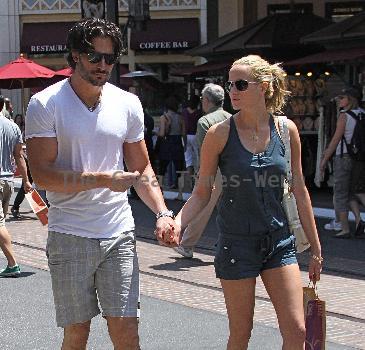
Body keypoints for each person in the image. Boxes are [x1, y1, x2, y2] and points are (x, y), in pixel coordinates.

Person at [25, 18, 176, 350]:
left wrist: (163, 213)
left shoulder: (127, 103)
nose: (103, 65)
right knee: (77, 333)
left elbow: (142, 168)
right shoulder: (46, 104)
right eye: (95, 57)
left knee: (126, 331)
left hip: (118, 232)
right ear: (76, 55)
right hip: (70, 234)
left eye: (110, 58)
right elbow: (43, 175)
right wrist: (103, 180)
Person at [172, 55, 323, 349]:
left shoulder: (285, 129)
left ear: (264, 86)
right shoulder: (219, 134)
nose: (233, 91)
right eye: (230, 85)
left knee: (298, 331)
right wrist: (178, 222)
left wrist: (315, 249)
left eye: (241, 84)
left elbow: (301, 190)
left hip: (279, 242)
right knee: (241, 335)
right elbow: (202, 192)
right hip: (236, 245)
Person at [174, 84, 231, 258]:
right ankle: (227, 244)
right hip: (233, 169)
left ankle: (187, 244)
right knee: (228, 208)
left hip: (214, 170)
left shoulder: (204, 121)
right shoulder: (232, 118)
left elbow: (202, 151)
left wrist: (200, 172)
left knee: (201, 206)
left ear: (206, 100)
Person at [320, 86, 365, 238]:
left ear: (350, 100)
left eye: (342, 98)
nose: (339, 100)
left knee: (340, 194)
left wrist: (325, 159)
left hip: (343, 157)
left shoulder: (344, 116)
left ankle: (344, 228)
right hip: (358, 159)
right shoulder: (362, 114)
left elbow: (335, 140)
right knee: (352, 191)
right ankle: (359, 221)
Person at [0, 95, 32, 276]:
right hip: (8, 182)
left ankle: (12, 264)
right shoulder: (13, 126)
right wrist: (26, 180)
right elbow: (20, 156)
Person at [157, 95, 186, 200]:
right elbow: (184, 133)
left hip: (167, 143)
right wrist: (185, 145)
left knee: (162, 169)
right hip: (177, 142)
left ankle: (160, 192)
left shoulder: (163, 117)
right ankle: (180, 194)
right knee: (179, 169)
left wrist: (156, 132)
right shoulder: (181, 117)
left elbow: (162, 133)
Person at [182, 95, 201, 182]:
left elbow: (183, 126)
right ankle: (197, 175)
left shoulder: (184, 111)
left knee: (188, 157)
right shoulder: (199, 112)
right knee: (197, 156)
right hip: (196, 135)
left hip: (186, 135)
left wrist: (184, 138)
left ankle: (190, 178)